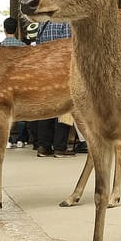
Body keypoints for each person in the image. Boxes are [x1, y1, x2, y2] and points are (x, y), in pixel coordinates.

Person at [35, 21, 75, 157]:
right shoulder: (65, 22)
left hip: (45, 69)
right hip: (61, 69)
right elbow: (67, 46)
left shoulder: (42, 23)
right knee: (63, 107)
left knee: (45, 107)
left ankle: (43, 146)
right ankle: (59, 147)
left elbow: (38, 46)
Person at [0, 17, 28, 149]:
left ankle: (8, 140)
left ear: (4, 29)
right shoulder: (24, 47)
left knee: (6, 113)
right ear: (16, 29)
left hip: (4, 84)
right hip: (21, 82)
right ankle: (21, 139)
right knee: (21, 113)